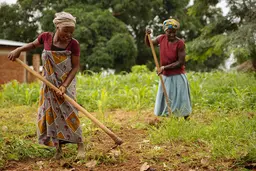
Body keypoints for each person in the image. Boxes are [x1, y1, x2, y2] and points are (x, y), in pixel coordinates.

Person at [8, 11, 85, 159]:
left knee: (70, 112)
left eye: (71, 32)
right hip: (49, 84)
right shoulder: (46, 37)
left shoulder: (74, 44)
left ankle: (80, 144)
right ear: (57, 26)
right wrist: (19, 49)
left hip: (66, 84)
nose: (68, 34)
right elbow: (32, 45)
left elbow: (75, 67)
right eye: (65, 30)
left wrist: (64, 86)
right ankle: (58, 150)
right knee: (52, 115)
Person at [144, 18, 192, 119]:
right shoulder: (161, 39)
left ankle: (186, 119)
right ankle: (173, 118)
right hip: (166, 76)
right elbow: (149, 44)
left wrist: (164, 67)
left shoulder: (180, 43)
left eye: (174, 32)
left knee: (181, 98)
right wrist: (147, 35)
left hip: (178, 75)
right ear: (165, 31)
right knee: (169, 99)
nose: (172, 35)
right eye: (169, 32)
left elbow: (181, 62)